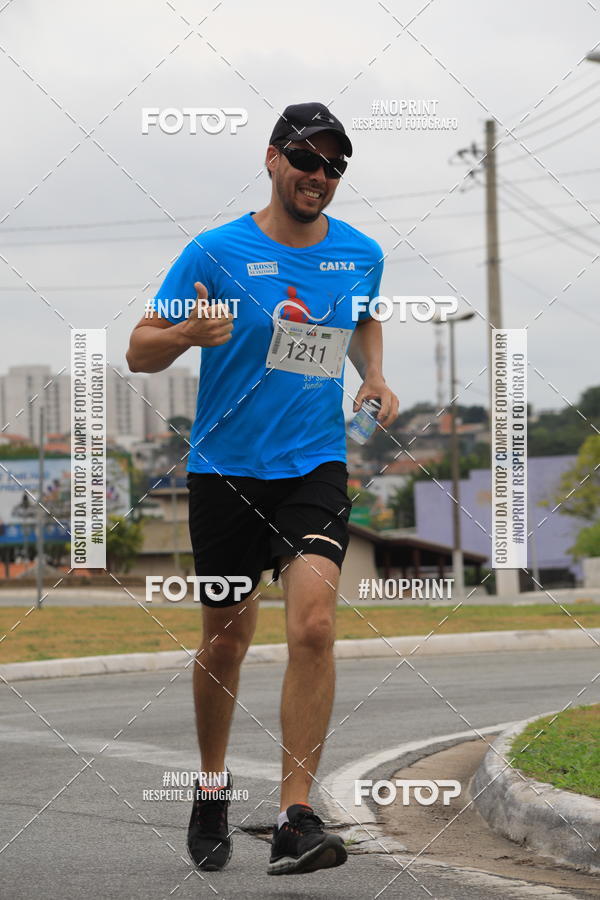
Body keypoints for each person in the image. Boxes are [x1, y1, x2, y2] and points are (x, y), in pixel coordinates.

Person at [126, 101, 399, 876]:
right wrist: (185, 334)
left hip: (314, 463)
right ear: (273, 158)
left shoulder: (360, 253)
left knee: (312, 624)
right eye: (308, 159)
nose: (322, 176)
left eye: (336, 166)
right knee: (227, 638)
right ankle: (211, 787)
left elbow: (364, 316)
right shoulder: (214, 252)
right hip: (223, 470)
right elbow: (140, 349)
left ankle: (294, 813)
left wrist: (373, 372)